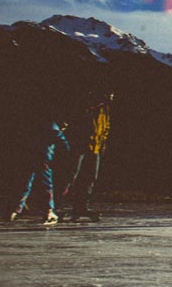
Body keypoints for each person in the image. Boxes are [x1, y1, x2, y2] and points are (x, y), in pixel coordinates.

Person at [60, 92, 113, 222]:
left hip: (95, 147)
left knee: (90, 177)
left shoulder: (104, 109)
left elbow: (105, 127)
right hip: (80, 146)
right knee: (71, 176)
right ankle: (57, 206)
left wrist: (101, 144)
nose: (111, 97)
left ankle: (81, 206)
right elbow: (73, 124)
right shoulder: (84, 106)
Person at [11, 120, 70, 225]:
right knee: (46, 186)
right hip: (43, 159)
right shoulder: (54, 128)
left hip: (29, 158)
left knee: (26, 183)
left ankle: (15, 209)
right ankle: (49, 211)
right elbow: (63, 144)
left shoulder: (35, 125)